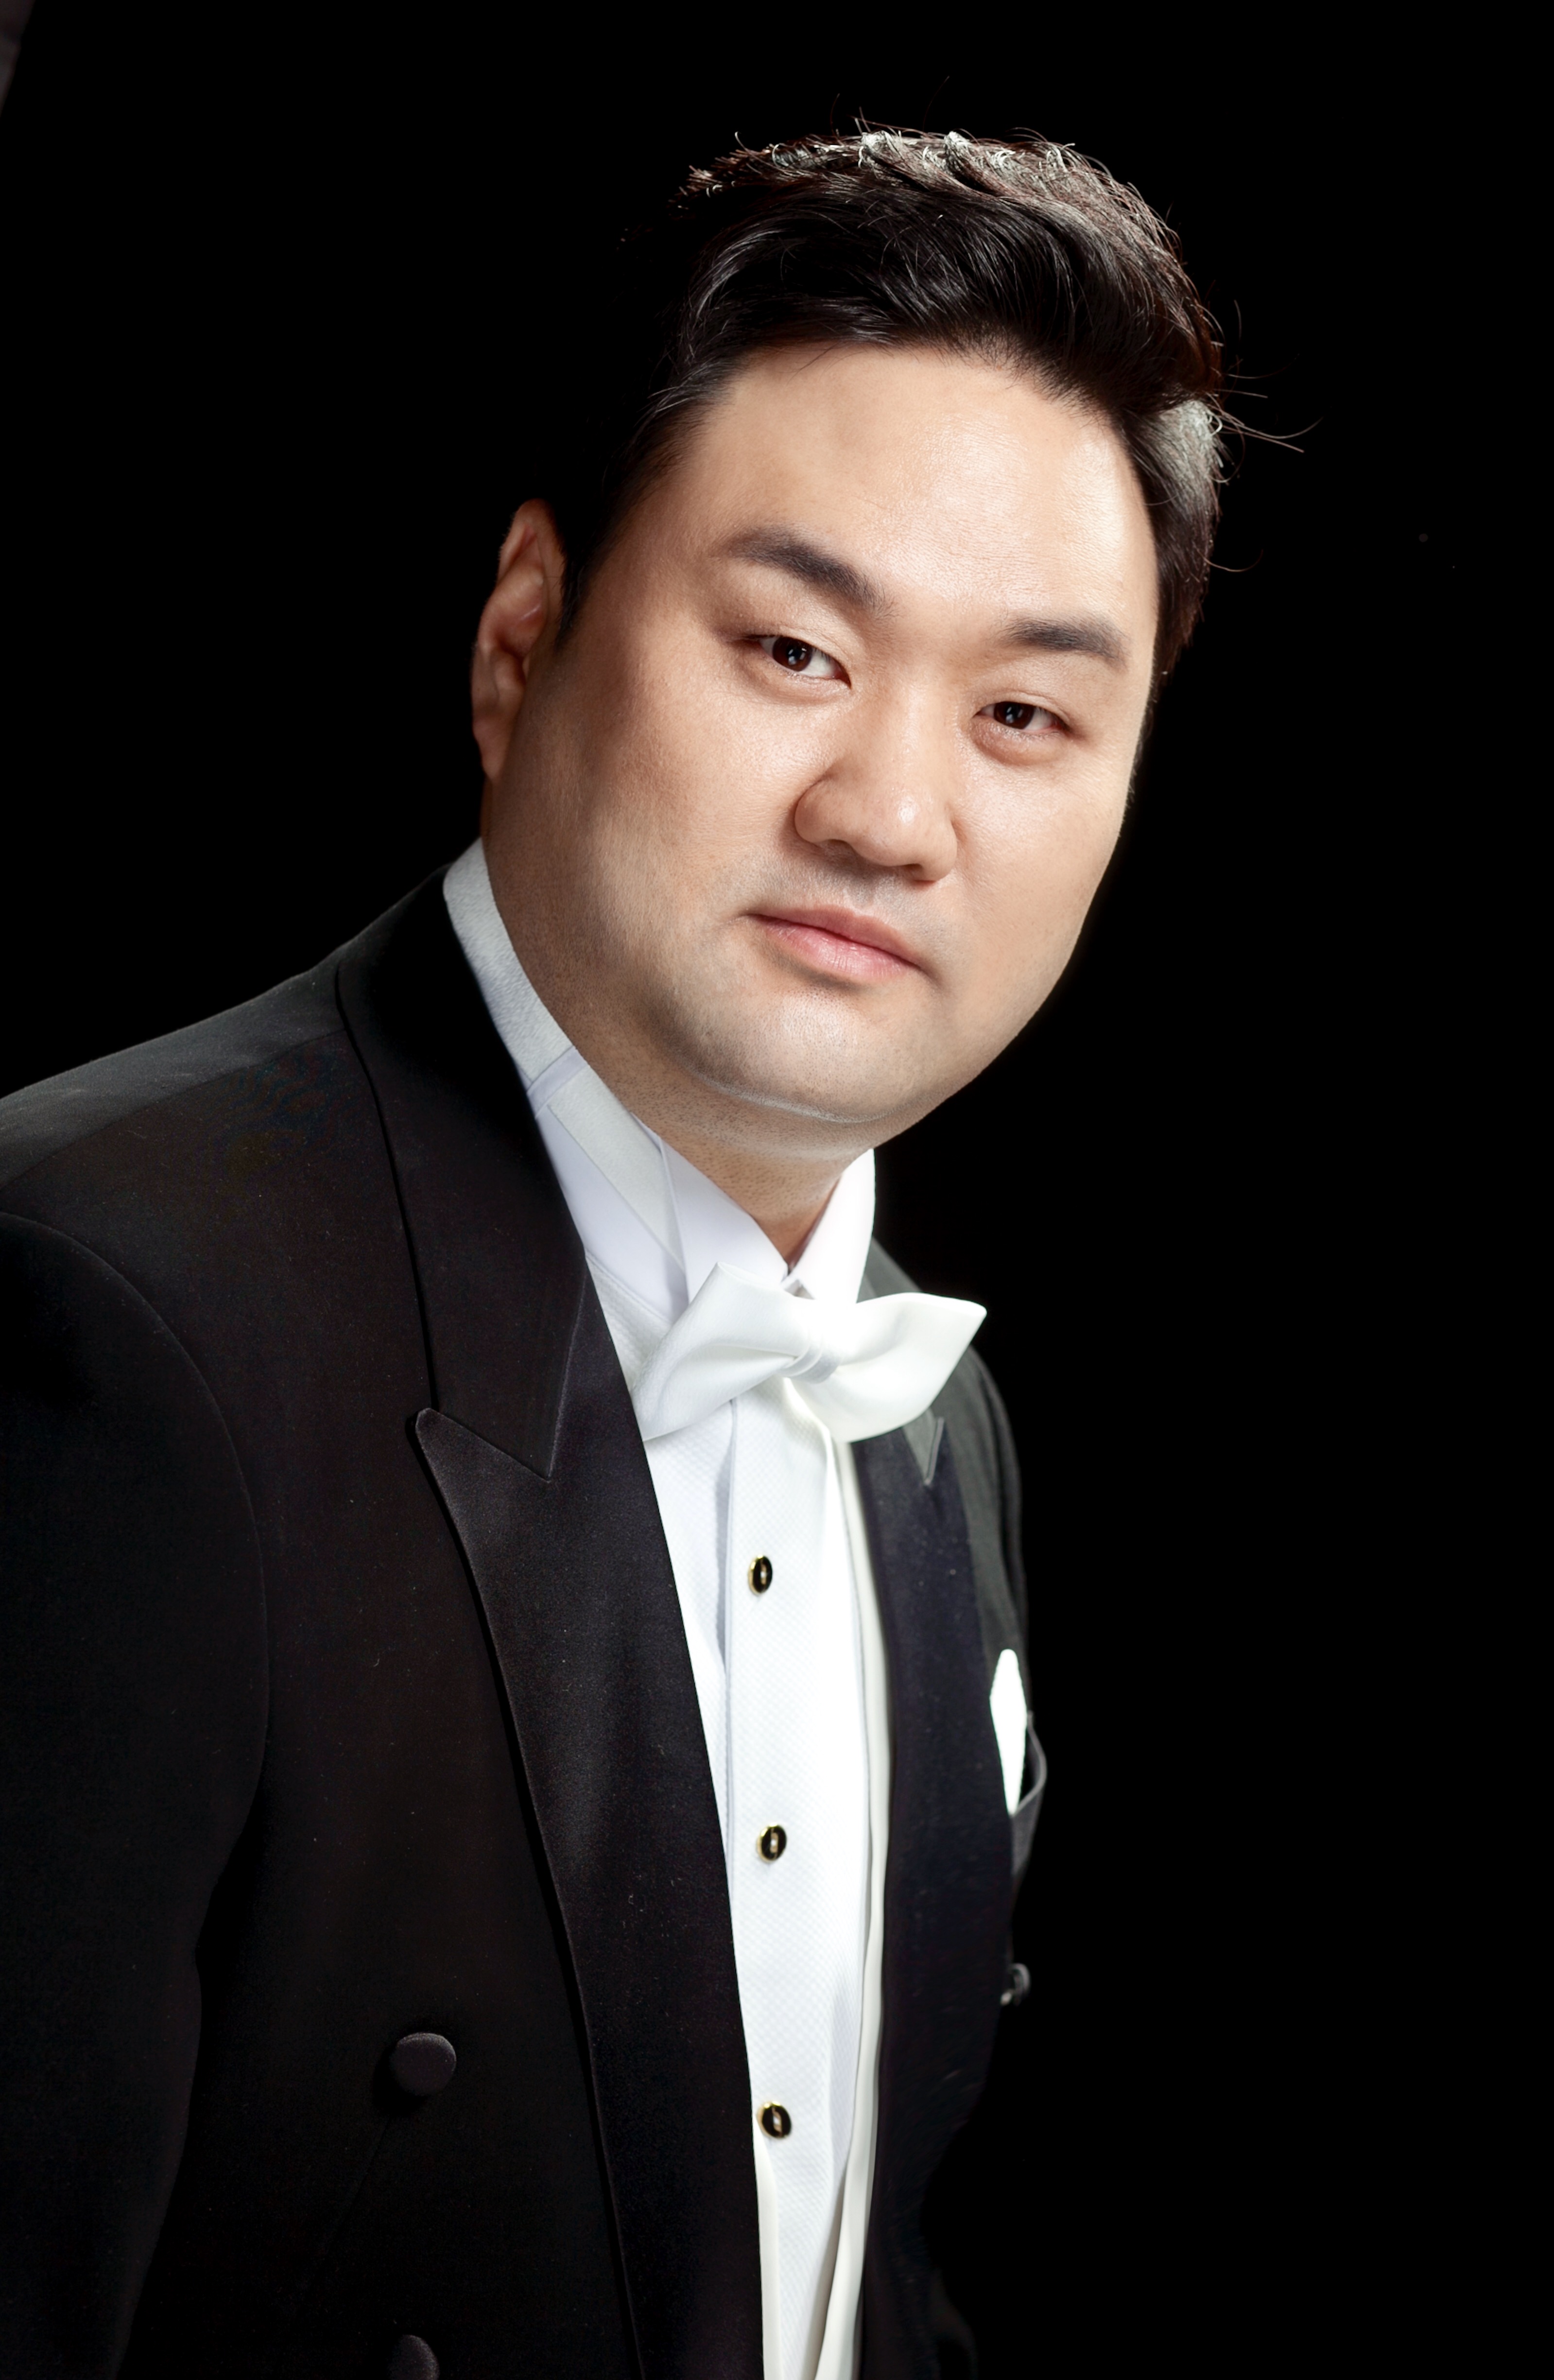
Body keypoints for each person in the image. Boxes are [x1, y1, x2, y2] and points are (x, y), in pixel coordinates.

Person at [0, 129, 1223, 2380]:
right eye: (792, 646)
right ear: (519, 633)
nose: (888, 811)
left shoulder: (933, 1415)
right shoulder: (90, 1308)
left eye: (1022, 716)